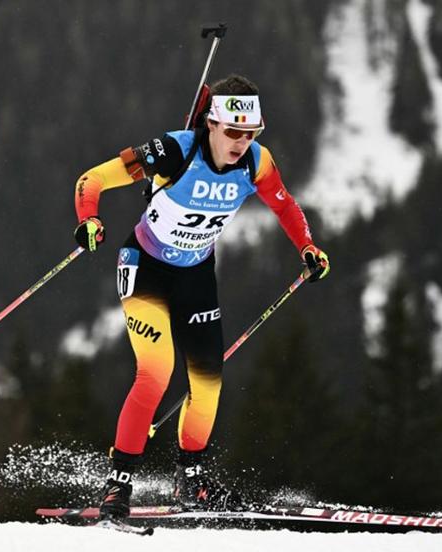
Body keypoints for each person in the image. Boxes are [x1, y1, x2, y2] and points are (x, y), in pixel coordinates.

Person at [72, 74, 330, 520]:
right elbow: (91, 179)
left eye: (250, 133)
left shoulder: (257, 163)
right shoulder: (175, 151)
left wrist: (307, 246)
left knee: (208, 382)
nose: (241, 142)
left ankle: (191, 479)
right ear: (211, 124)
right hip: (146, 269)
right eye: (233, 132)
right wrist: (89, 219)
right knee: (155, 372)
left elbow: (285, 206)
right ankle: (118, 487)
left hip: (195, 275)